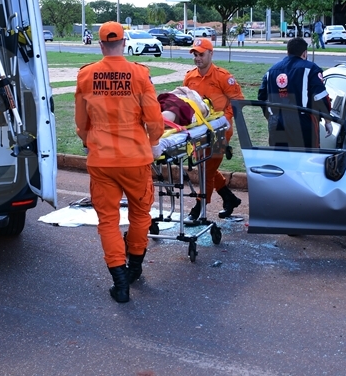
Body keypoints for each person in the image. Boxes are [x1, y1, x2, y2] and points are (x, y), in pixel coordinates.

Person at [75, 21, 165, 303]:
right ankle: (135, 266)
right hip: (135, 158)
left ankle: (120, 281)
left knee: (108, 221)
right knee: (140, 214)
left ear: (101, 45)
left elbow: (80, 122)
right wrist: (153, 143)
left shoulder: (86, 75)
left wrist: (90, 141)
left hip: (102, 160)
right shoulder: (139, 74)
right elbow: (154, 119)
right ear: (124, 42)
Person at [182, 38, 245, 223]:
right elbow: (185, 101)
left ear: (211, 53)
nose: (197, 58)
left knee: (206, 171)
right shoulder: (190, 77)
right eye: (195, 54)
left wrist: (224, 119)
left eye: (201, 54)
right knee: (204, 167)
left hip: (219, 134)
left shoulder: (223, 77)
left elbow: (238, 101)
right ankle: (229, 198)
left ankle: (199, 208)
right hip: (198, 132)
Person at [259, 37, 333, 149]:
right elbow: (320, 97)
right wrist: (327, 120)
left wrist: (270, 116)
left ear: (288, 51)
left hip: (276, 121)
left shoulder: (271, 71)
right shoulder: (311, 69)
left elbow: (261, 97)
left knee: (279, 157)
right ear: (304, 53)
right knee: (306, 157)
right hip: (302, 121)